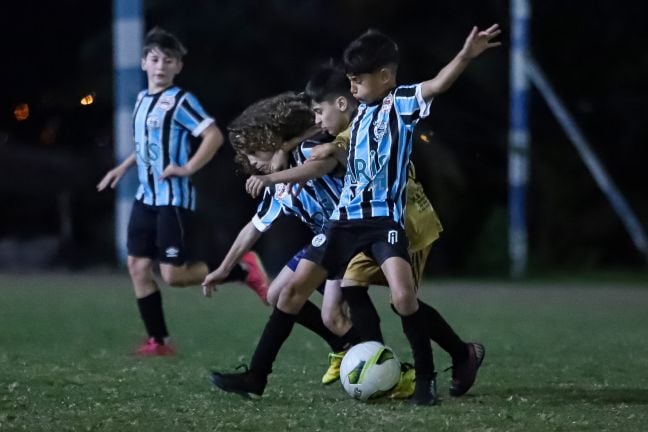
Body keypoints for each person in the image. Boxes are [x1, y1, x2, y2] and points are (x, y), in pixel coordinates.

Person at [209, 25, 500, 405]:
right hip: (344, 223)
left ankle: (430, 370)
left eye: (357, 80)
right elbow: (327, 133)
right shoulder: (356, 118)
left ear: (384, 76)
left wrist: (465, 56)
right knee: (297, 292)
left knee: (399, 299)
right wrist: (292, 153)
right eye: (349, 81)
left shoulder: (399, 104)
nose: (352, 88)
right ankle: (258, 375)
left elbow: (436, 85)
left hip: (397, 222)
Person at [97, 27, 269, 356]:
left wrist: (188, 168)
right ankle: (159, 341)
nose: (161, 66)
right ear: (144, 63)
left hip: (172, 200)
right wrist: (123, 167)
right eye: (155, 59)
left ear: (178, 67)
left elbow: (213, 136)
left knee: (173, 276)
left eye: (169, 60)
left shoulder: (180, 101)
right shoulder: (141, 100)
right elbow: (148, 146)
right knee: (136, 266)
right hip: (145, 198)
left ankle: (241, 270)